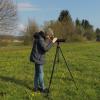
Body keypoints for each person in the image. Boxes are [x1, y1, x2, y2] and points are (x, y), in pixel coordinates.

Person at [30, 28, 57, 93]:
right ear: (47, 34)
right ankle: (43, 88)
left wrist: (49, 40)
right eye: (49, 36)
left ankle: (35, 88)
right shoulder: (40, 39)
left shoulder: (40, 37)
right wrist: (52, 42)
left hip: (36, 57)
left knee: (37, 73)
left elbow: (44, 45)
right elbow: (45, 48)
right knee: (41, 73)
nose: (49, 37)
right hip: (38, 58)